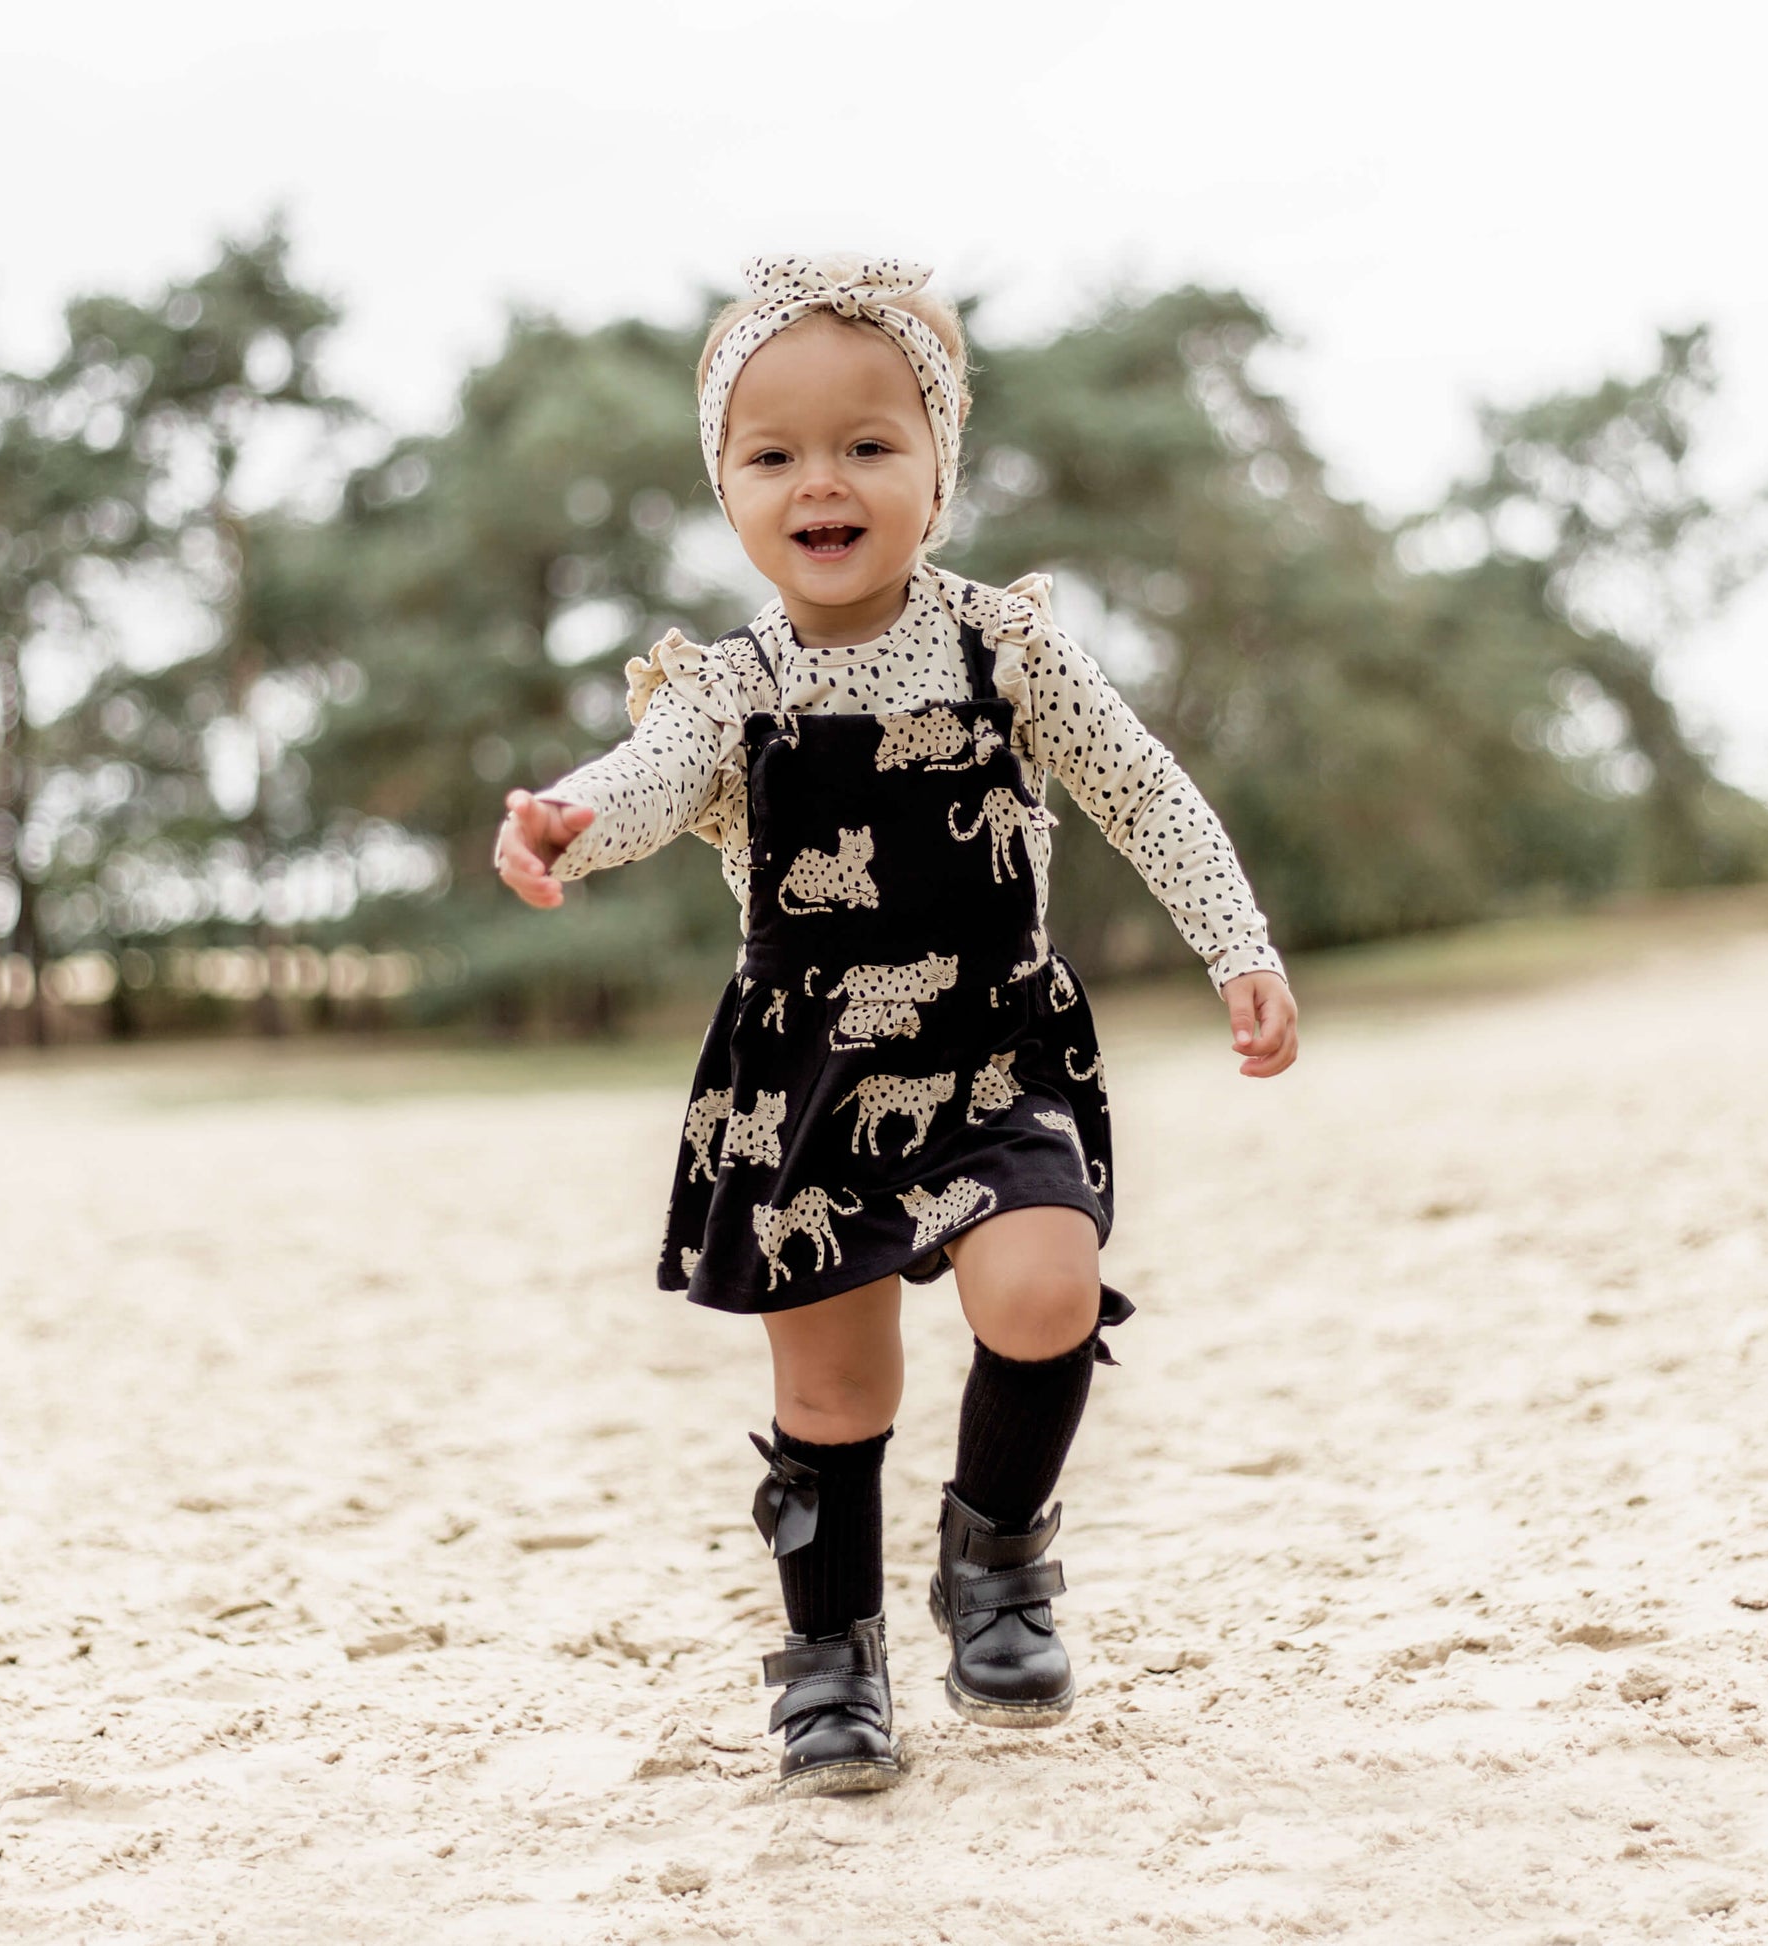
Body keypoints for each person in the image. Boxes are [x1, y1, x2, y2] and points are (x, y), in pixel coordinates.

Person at [494, 255, 1298, 1798]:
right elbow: (643, 779)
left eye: (868, 443)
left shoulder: (1009, 646)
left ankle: (996, 1559)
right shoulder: (729, 685)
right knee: (832, 1392)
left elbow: (1141, 788)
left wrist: (1235, 944)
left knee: (1046, 1286)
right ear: (725, 488)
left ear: (939, 468)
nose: (822, 480)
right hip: (808, 1073)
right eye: (773, 453)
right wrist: (565, 822)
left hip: (994, 1045)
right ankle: (831, 1668)